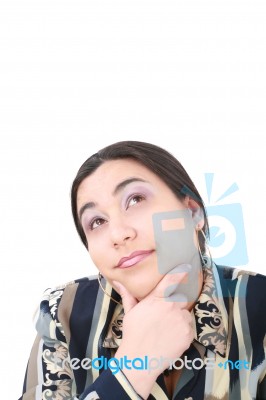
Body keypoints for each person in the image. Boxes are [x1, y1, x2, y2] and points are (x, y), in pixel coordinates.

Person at [19, 141, 266, 400]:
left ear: (193, 212)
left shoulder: (259, 307)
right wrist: (132, 369)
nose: (119, 234)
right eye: (97, 222)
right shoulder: (63, 315)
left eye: (136, 200)